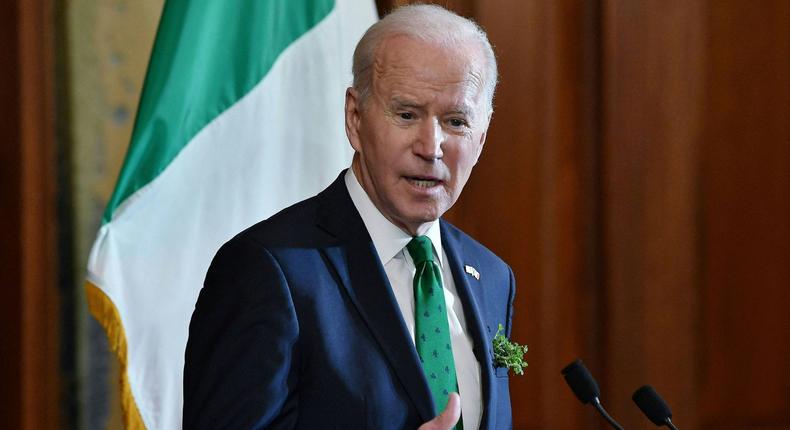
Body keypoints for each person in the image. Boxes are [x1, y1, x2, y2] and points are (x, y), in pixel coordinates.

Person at [183, 4, 515, 430]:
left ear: (481, 138)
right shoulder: (269, 270)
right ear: (355, 119)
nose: (431, 147)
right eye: (407, 114)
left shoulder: (491, 276)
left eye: (455, 121)